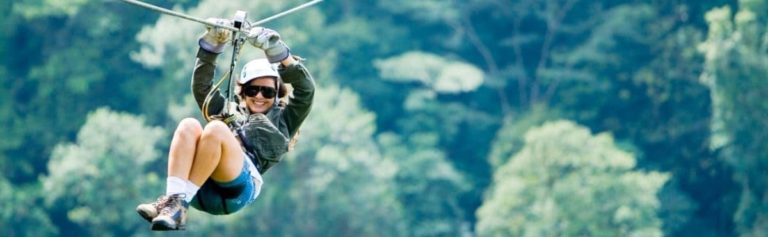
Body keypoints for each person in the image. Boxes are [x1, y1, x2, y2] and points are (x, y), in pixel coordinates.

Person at [135, 18, 315, 231]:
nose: (259, 96)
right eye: (252, 90)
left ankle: (178, 205)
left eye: (267, 91)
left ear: (277, 95)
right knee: (188, 125)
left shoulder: (285, 119)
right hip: (200, 188)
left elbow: (306, 90)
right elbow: (202, 88)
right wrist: (212, 45)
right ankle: (173, 200)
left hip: (236, 191)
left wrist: (278, 52)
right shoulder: (228, 111)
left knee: (216, 128)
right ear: (243, 92)